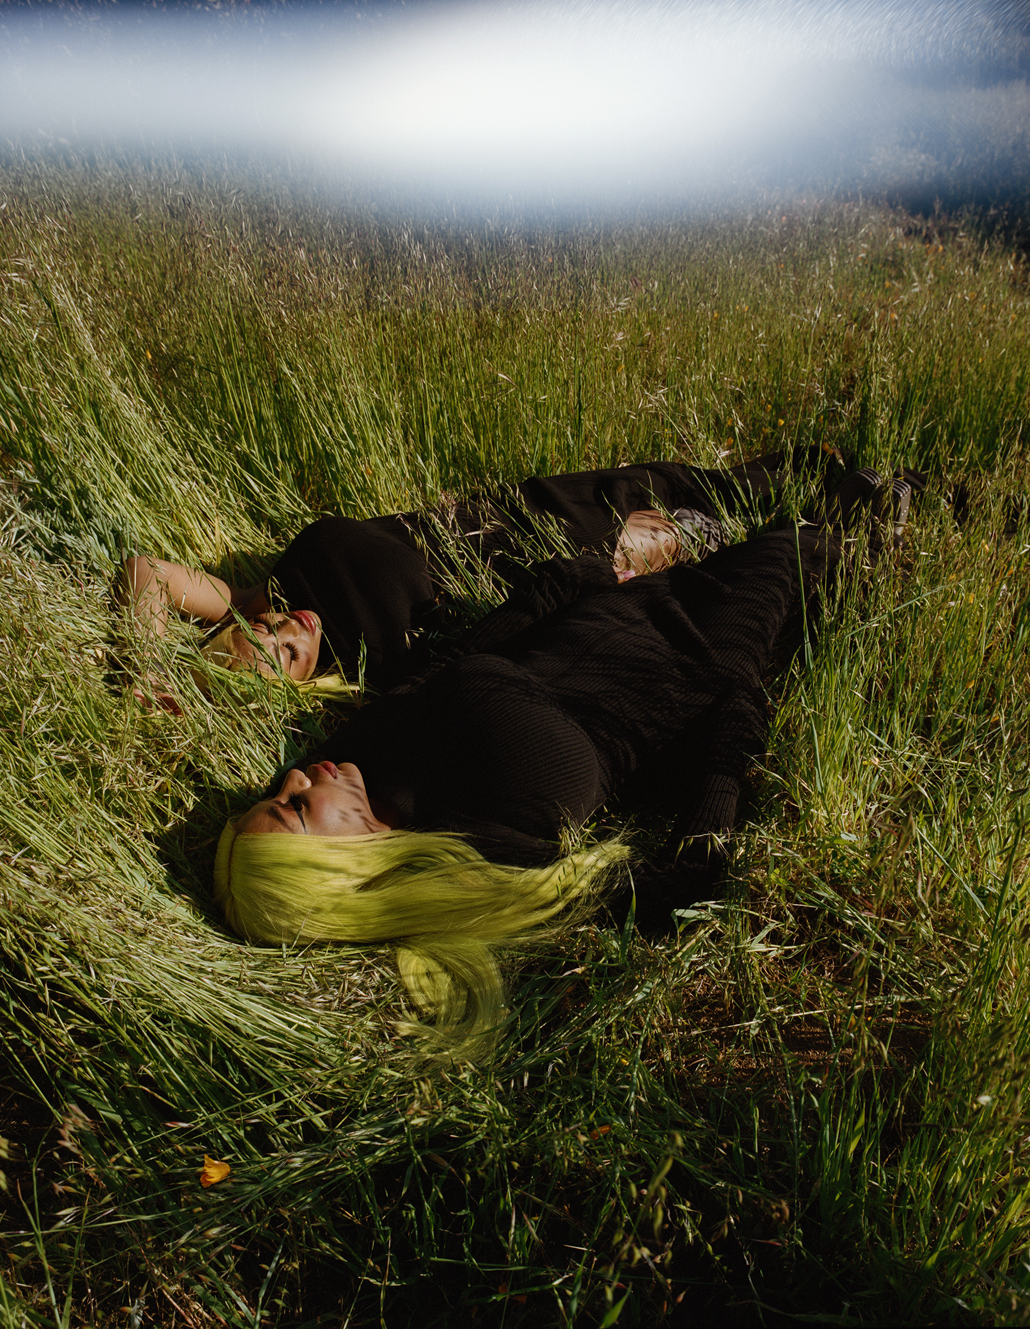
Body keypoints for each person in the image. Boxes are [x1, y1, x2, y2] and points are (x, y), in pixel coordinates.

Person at [214, 466, 918, 1056]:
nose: (298, 776)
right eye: (297, 807)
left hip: (622, 595)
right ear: (343, 865)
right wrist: (735, 699)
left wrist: (565, 583)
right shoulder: (479, 861)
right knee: (826, 542)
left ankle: (887, 491)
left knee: (800, 506)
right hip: (711, 639)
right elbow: (687, 884)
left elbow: (446, 664)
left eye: (282, 788)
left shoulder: (350, 758)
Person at [120, 448, 833, 705]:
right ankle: (855, 515)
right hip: (542, 576)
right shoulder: (372, 673)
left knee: (685, 488)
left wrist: (147, 662)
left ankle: (832, 472)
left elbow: (146, 570)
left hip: (512, 516)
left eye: (263, 633)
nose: (287, 633)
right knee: (716, 543)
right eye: (286, 659)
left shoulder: (251, 592)